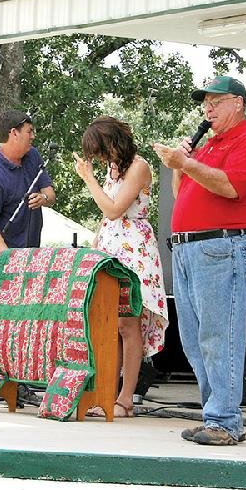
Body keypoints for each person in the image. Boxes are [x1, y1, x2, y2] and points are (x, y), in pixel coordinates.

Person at [152, 75, 246, 446]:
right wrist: (179, 165)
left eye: (216, 101)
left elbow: (230, 187)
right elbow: (181, 192)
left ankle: (224, 420)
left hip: (224, 248)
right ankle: (215, 416)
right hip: (190, 249)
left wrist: (186, 163)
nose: (208, 108)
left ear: (238, 103)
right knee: (193, 339)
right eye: (205, 102)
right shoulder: (209, 145)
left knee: (220, 334)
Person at [72, 116, 169, 418]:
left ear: (114, 142)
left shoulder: (139, 166)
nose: (100, 159)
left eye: (101, 151)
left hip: (134, 250)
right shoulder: (113, 169)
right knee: (111, 325)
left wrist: (88, 179)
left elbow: (114, 210)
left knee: (129, 323)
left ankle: (126, 397)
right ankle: (106, 392)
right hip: (110, 248)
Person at [0, 110, 56, 257]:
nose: (33, 136)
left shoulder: (33, 155)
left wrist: (43, 199)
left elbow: (51, 195)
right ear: (14, 133)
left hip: (32, 255)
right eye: (29, 131)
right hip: (3, 260)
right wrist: (10, 260)